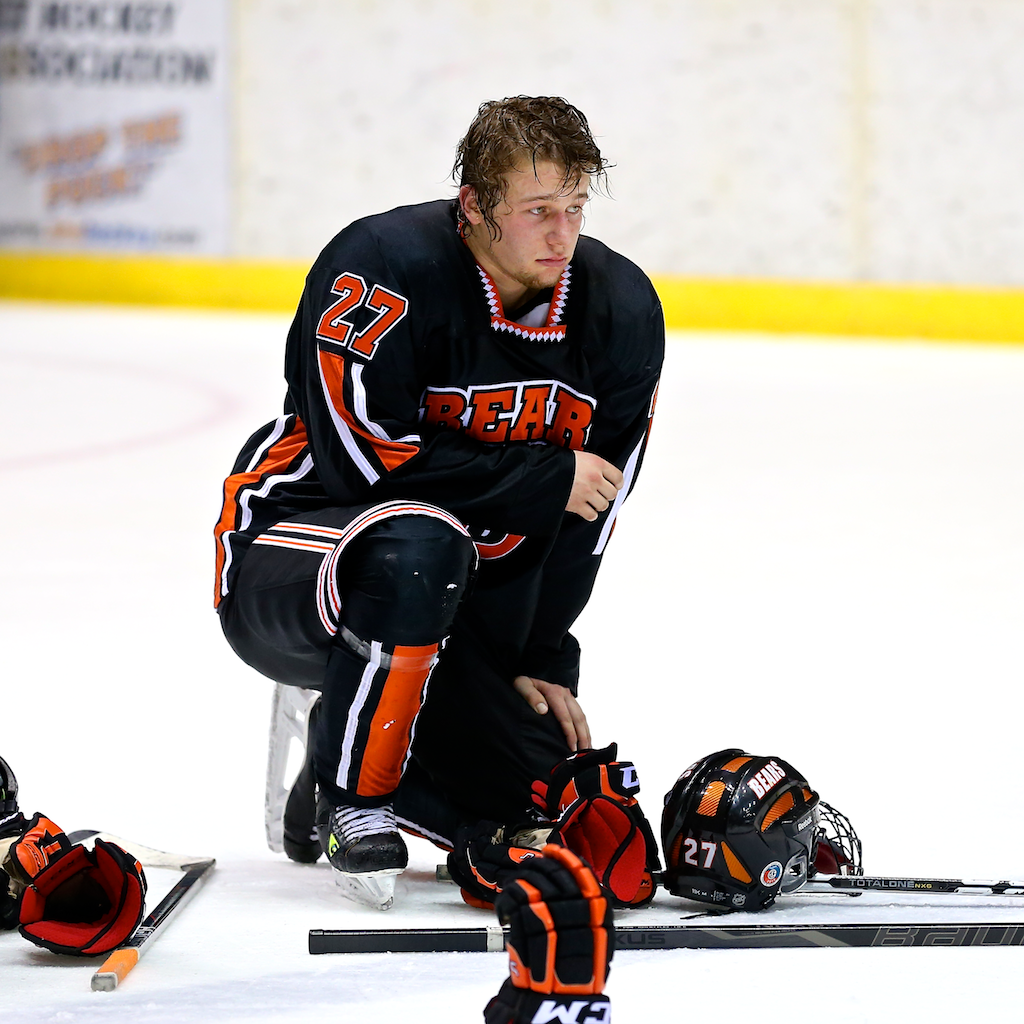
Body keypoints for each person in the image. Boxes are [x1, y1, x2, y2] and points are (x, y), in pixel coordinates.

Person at [213, 95, 665, 909]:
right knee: (419, 542)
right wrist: (540, 478)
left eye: (574, 208)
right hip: (296, 546)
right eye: (537, 212)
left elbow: (597, 503)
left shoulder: (620, 309)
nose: (563, 235)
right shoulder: (380, 268)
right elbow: (362, 465)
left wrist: (542, 656)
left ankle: (337, 754)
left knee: (539, 793)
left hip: (456, 592)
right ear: (475, 208)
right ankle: (357, 799)